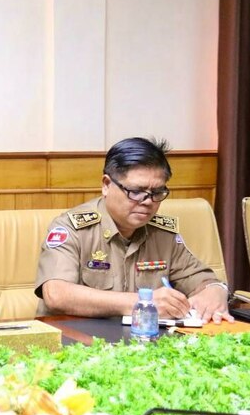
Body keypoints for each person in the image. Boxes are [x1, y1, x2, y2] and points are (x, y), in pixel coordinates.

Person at [35, 137, 233, 323]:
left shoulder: (162, 234)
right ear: (106, 185)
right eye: (136, 192)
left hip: (145, 341)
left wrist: (215, 291)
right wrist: (143, 302)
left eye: (157, 192)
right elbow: (56, 294)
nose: (147, 201)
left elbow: (202, 280)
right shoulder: (72, 228)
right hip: (78, 339)